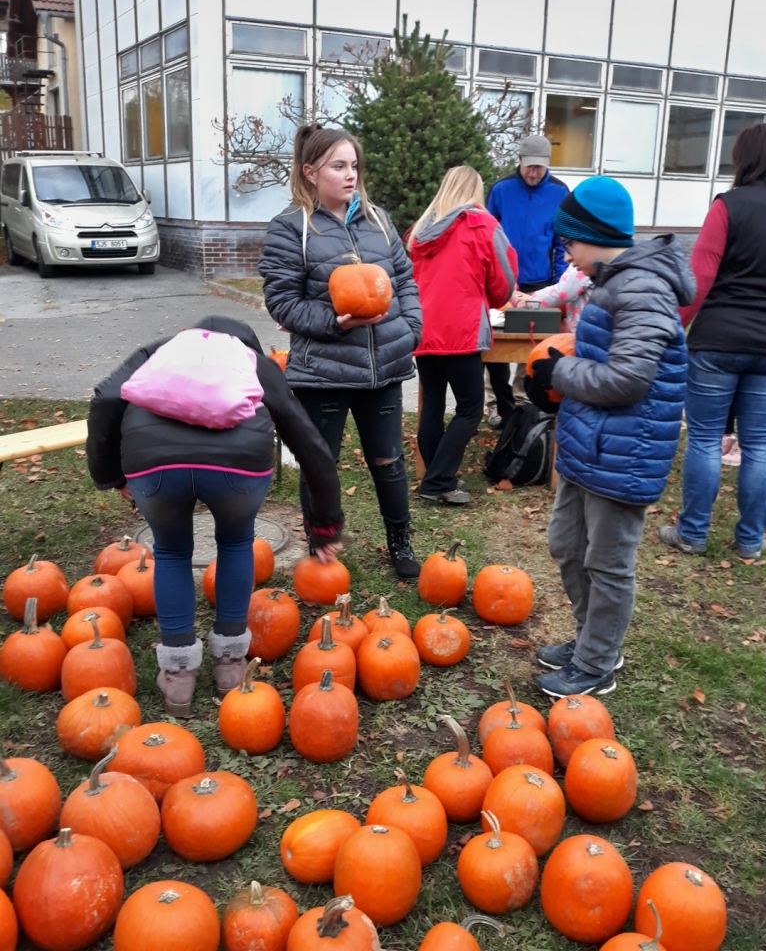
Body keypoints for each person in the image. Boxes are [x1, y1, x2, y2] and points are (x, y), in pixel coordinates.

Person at [86, 315, 344, 718]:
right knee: (238, 543)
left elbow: (105, 397)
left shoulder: (158, 349)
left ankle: (178, 677)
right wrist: (325, 526)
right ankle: (229, 667)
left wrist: (111, 475)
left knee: (170, 553)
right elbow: (307, 440)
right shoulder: (252, 361)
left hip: (154, 465)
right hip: (238, 467)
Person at [526, 178, 695, 697]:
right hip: (591, 445)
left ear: (594, 236)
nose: (568, 255)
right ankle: (590, 641)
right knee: (567, 544)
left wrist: (560, 373)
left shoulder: (643, 288)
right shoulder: (614, 282)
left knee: (608, 562)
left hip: (626, 452)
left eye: (570, 242)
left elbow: (629, 379)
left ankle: (597, 663)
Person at [259, 124, 423, 580]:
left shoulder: (378, 220)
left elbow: (405, 279)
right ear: (310, 172)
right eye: (338, 166)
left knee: (389, 462)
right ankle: (321, 544)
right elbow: (283, 302)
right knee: (320, 465)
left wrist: (411, 329)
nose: (350, 175)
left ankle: (400, 539)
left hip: (383, 369)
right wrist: (333, 322)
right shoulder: (291, 229)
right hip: (323, 374)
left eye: (353, 165)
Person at [658, 122, 766, 560]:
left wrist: (672, 327)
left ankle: (694, 533)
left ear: (743, 159)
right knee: (760, 444)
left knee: (704, 439)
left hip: (718, 342)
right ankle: (750, 540)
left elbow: (698, 280)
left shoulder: (728, 206)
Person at [407, 166, 517, 505]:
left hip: (424, 331)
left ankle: (433, 476)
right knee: (470, 408)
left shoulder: (417, 232)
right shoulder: (483, 225)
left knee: (433, 405)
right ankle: (438, 481)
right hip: (462, 331)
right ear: (475, 191)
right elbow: (503, 283)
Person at [487, 135, 570, 410]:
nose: (534, 172)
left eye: (540, 167)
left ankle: (521, 398)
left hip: (540, 282)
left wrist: (561, 285)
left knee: (532, 343)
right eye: (529, 166)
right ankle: (493, 401)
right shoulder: (501, 189)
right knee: (494, 340)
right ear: (519, 161)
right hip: (504, 281)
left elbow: (561, 242)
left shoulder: (560, 192)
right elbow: (488, 234)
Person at [513, 261, 593, 334]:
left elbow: (563, 291)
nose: (566, 258)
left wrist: (533, 299)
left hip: (583, 329)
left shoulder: (586, 266)